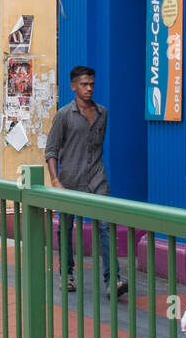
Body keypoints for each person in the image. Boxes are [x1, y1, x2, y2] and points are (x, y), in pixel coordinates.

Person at [45, 66, 127, 296]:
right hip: (70, 180)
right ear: (73, 87)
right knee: (66, 228)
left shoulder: (103, 113)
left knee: (105, 225)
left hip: (97, 179)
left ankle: (114, 281)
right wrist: (55, 180)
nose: (89, 88)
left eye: (91, 84)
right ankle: (67, 274)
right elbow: (51, 151)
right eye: (84, 84)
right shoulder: (63, 115)